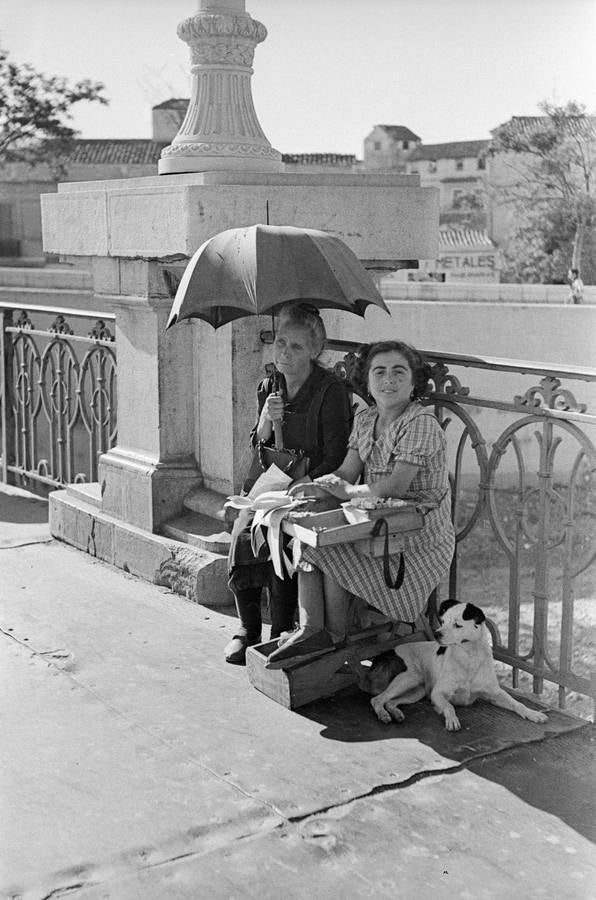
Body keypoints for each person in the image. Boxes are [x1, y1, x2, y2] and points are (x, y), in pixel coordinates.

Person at [266, 339, 456, 668]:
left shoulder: (421, 423)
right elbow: (346, 472)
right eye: (379, 372)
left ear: (414, 381)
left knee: (325, 546)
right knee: (308, 526)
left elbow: (396, 486)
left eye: (399, 372)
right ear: (366, 381)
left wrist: (343, 494)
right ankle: (314, 631)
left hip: (418, 534)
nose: (389, 380)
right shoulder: (367, 419)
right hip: (380, 519)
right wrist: (314, 487)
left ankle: (333, 637)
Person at [224, 302, 353, 665]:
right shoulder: (269, 384)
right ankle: (247, 629)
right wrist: (266, 420)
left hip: (316, 485)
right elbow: (258, 445)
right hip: (276, 480)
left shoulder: (331, 391)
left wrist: (306, 485)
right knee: (245, 528)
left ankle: (281, 630)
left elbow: (337, 455)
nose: (285, 352)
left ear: (315, 350)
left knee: (280, 531)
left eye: (296, 346)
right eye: (281, 342)